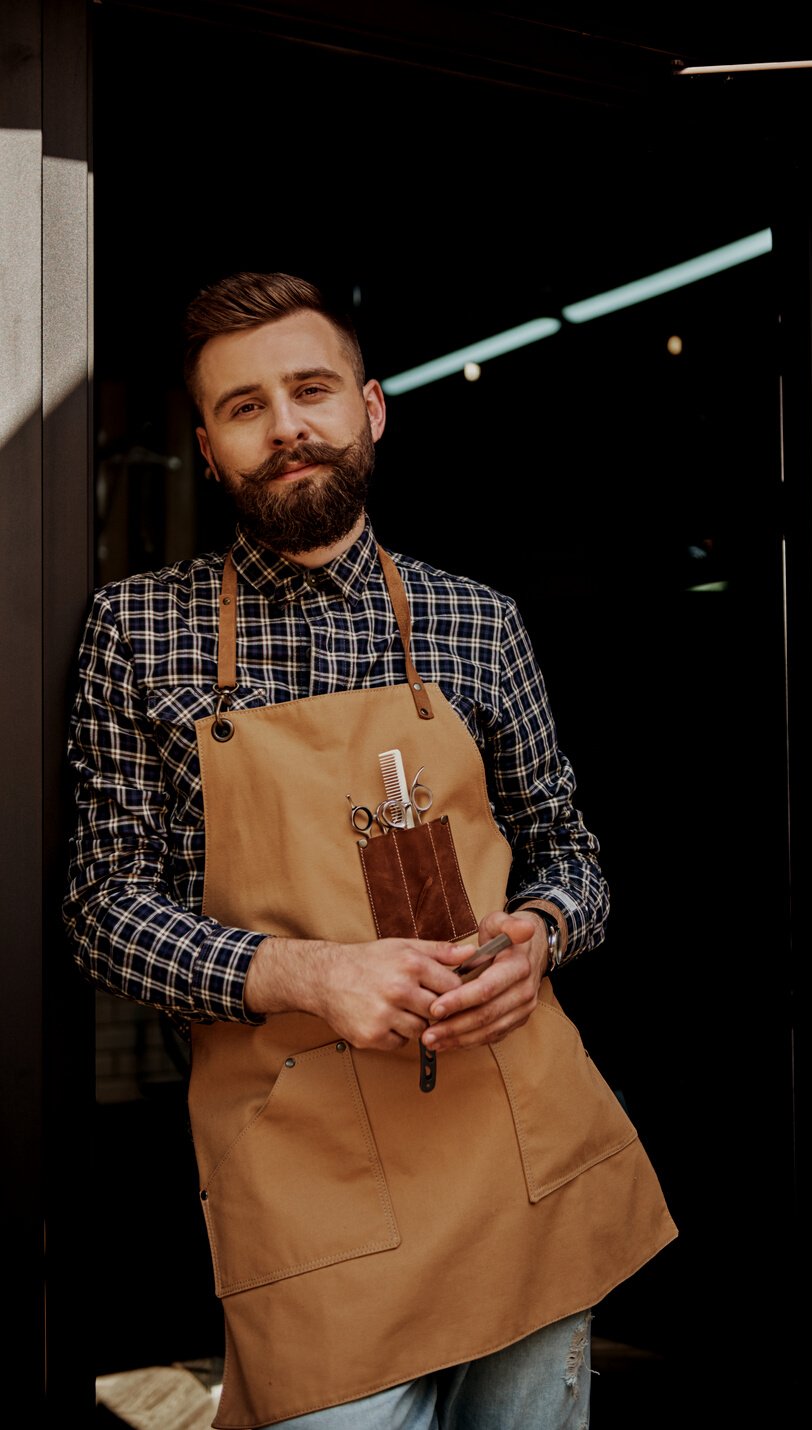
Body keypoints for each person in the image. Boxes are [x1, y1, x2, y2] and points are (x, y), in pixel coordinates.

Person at [64, 271, 677, 1429]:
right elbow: (104, 907)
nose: (286, 425)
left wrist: (538, 936)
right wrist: (312, 972)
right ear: (206, 447)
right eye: (245, 406)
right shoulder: (135, 631)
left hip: (509, 1130)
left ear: (372, 407)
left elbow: (571, 852)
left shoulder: (477, 620)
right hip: (302, 1160)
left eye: (310, 389)